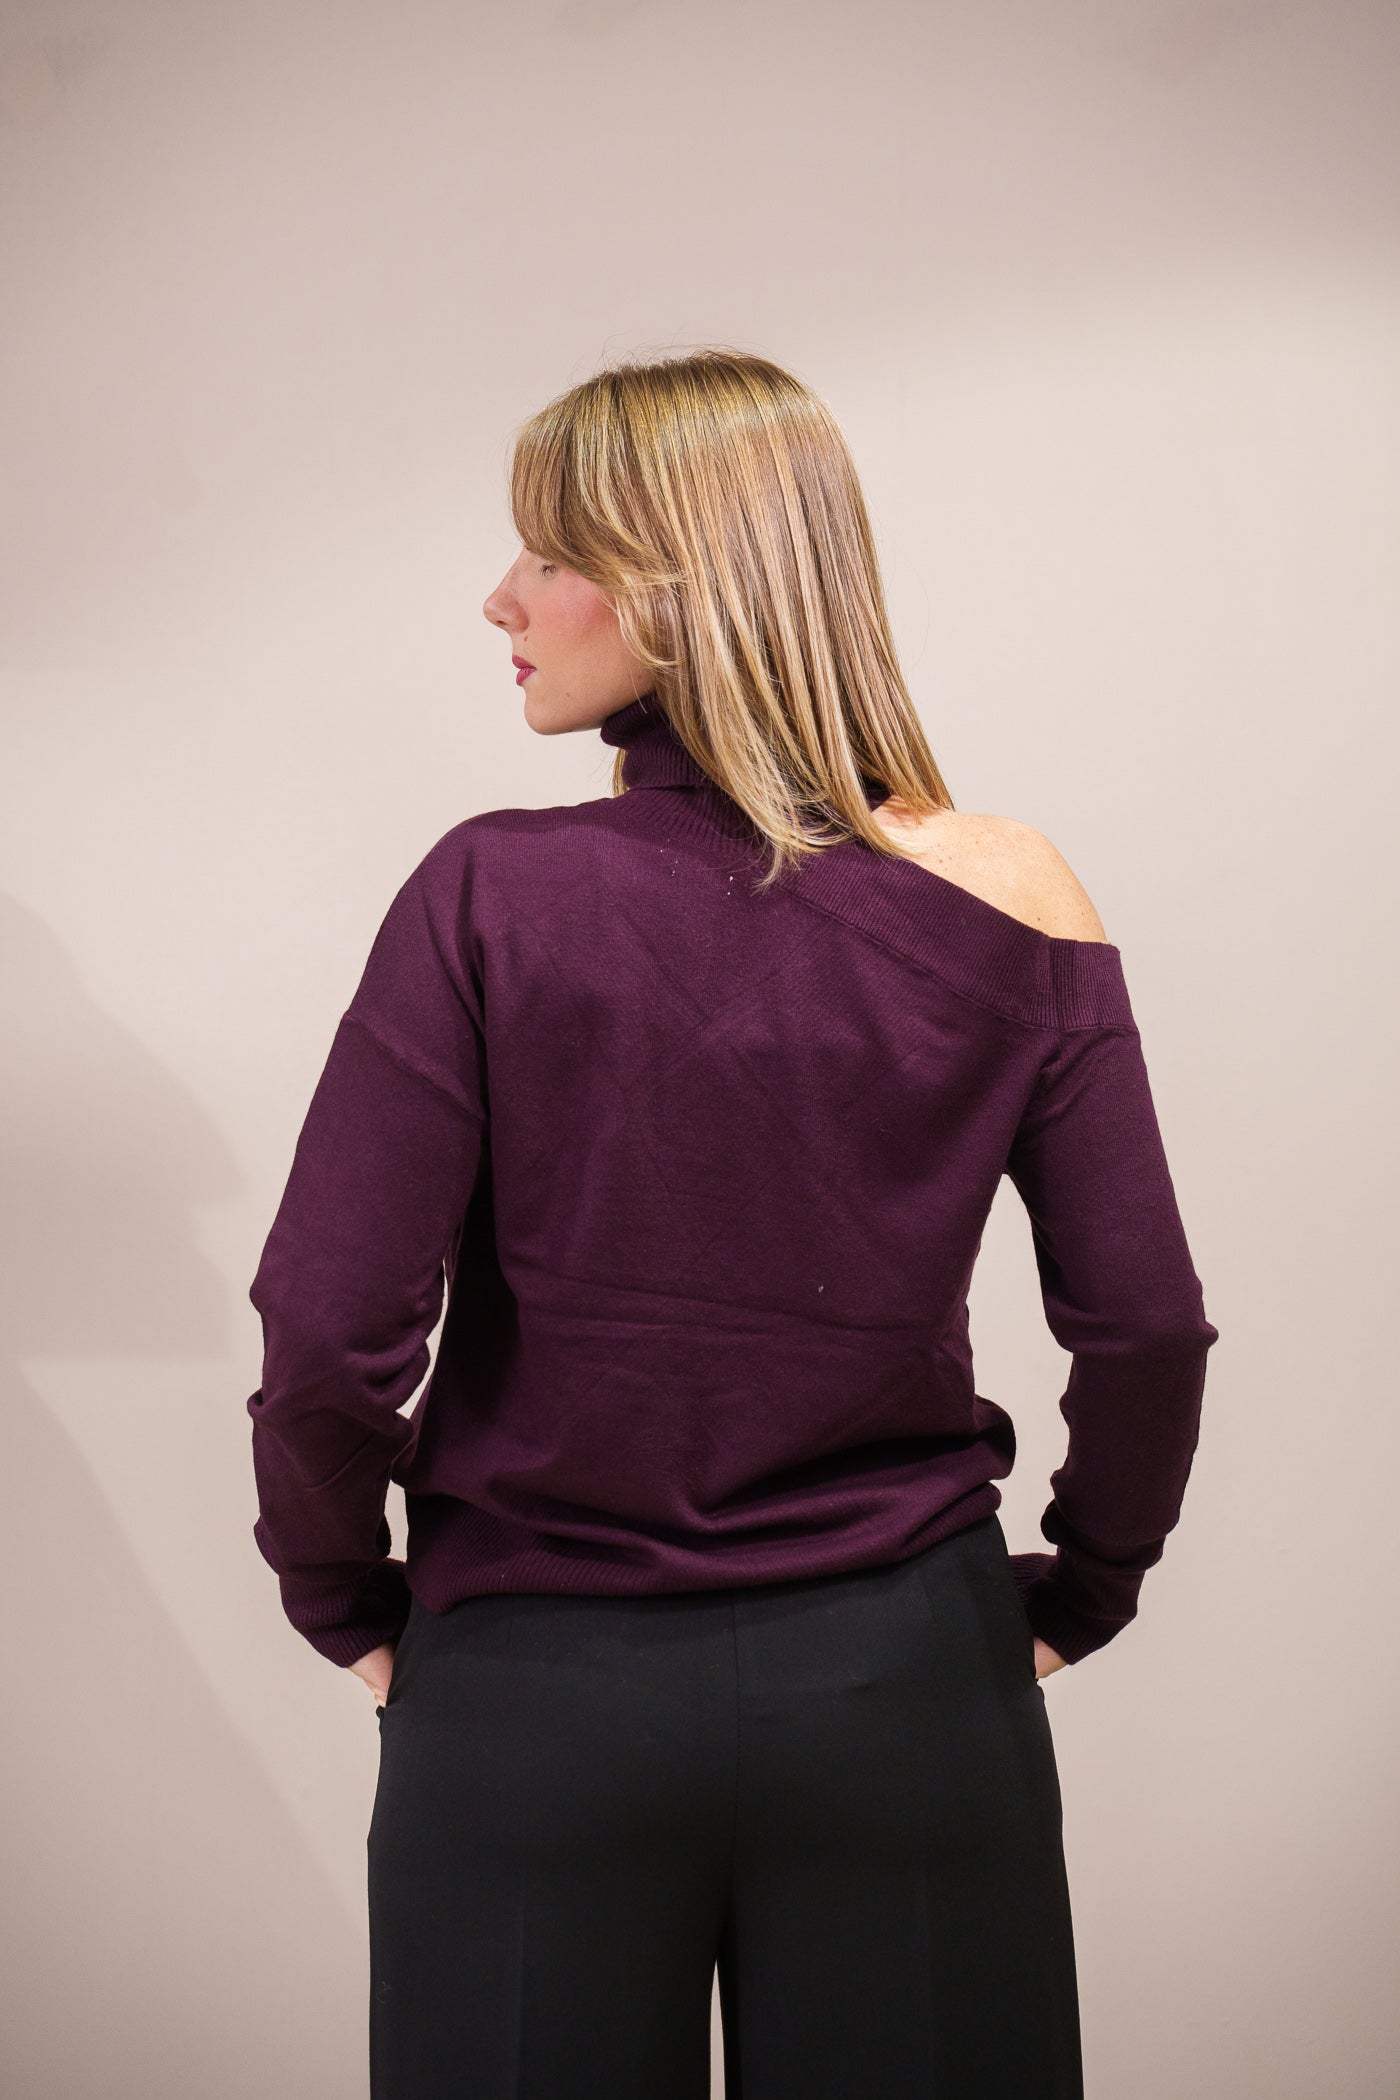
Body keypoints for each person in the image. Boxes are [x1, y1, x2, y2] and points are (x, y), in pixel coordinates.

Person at [245, 347, 1219, 2099]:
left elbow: (330, 1323)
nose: (502, 598)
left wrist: (346, 1598)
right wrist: (1085, 1589)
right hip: (906, 1689)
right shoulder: (1017, 893)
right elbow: (1145, 1326)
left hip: (532, 1693)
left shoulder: (490, 894)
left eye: (550, 553)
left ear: (677, 587)